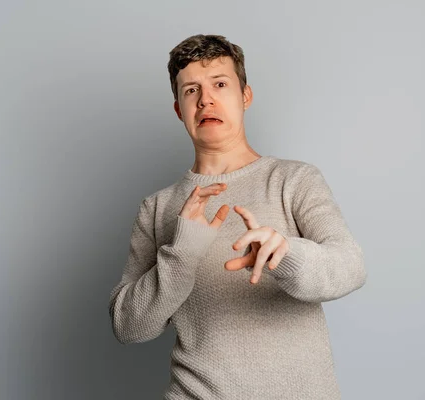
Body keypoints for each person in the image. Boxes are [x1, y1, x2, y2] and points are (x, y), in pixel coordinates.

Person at [108, 34, 367, 399]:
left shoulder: (293, 180)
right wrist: (181, 252)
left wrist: (286, 254)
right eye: (191, 90)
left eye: (220, 84)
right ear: (179, 109)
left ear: (245, 96)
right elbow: (128, 325)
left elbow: (350, 268)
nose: (206, 99)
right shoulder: (157, 208)